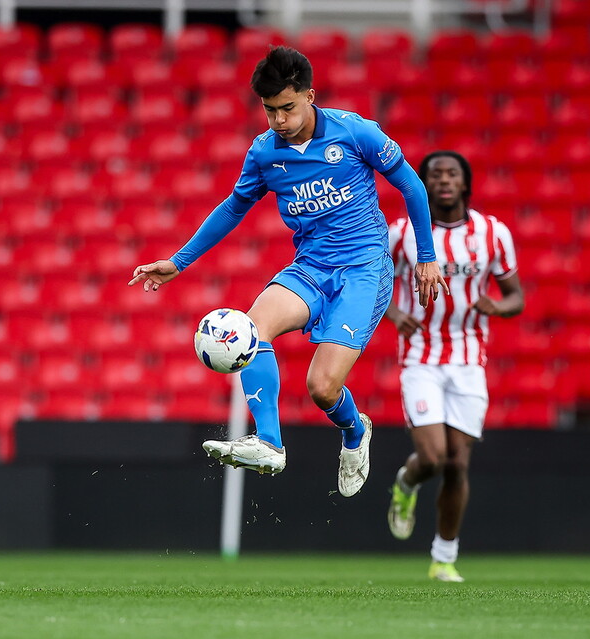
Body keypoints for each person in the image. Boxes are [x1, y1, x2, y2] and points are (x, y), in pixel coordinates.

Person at [130, 46, 446, 497]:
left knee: (321, 388)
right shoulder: (263, 154)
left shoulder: (356, 133)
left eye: (287, 108)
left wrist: (428, 255)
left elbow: (411, 185)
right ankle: (269, 443)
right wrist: (178, 261)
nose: (278, 120)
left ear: (309, 94)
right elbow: (233, 207)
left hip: (363, 268)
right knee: (249, 328)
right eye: (270, 110)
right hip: (310, 266)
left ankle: (355, 432)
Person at [384, 150, 524, 581]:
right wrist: (392, 312)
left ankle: (443, 558)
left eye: (452, 174)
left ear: (465, 183)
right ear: (423, 183)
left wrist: (498, 308)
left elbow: (516, 295)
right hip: (420, 357)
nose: (444, 180)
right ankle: (406, 483)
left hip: (468, 359)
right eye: (435, 174)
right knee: (433, 457)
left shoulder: (492, 233)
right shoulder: (402, 232)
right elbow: (371, 282)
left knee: (458, 464)